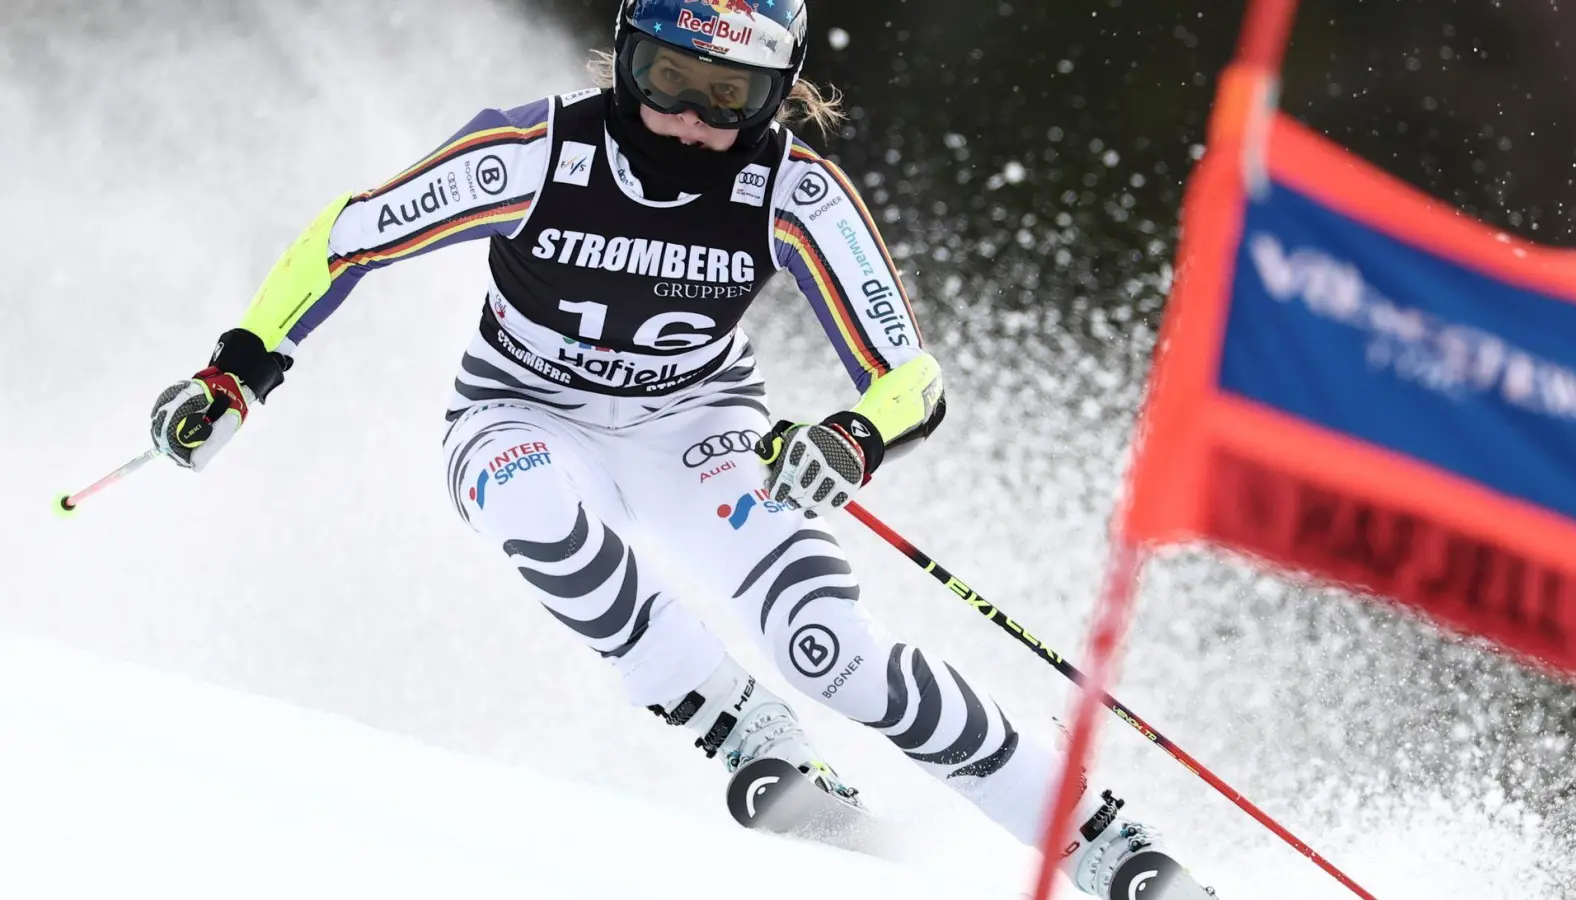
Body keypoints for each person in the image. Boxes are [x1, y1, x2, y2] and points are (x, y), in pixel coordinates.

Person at [145, 1, 1215, 896]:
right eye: (663, 77)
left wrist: (851, 436)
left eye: (726, 99)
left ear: (777, 93)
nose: (685, 119)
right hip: (517, 413)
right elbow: (348, 234)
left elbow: (911, 381)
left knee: (831, 654)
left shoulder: (793, 193)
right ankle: (745, 729)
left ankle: (1103, 842)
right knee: (533, 509)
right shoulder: (535, 153)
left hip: (698, 429)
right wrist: (238, 370)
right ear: (626, 54)